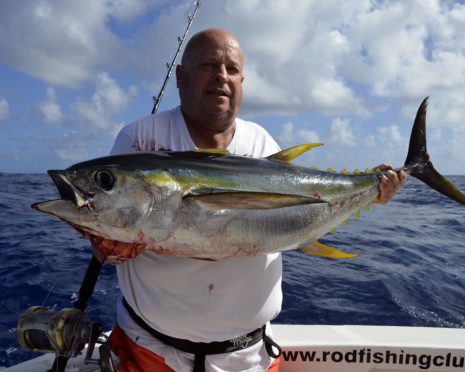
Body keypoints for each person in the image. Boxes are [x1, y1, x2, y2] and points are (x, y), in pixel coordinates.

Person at [107, 28, 406, 372]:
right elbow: (114, 228)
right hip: (152, 352)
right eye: (208, 65)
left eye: (232, 70)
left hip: (248, 358)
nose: (221, 77)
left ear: (242, 81)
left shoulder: (261, 141)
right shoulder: (142, 138)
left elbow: (297, 214)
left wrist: (371, 189)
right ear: (180, 76)